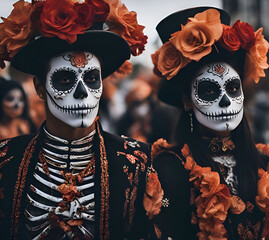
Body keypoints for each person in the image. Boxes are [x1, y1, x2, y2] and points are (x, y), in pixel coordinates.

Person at [0, 0, 157, 239]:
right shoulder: (6, 161)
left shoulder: (138, 163)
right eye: (64, 80)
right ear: (40, 88)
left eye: (92, 78)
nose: (82, 92)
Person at [148, 7, 269, 239]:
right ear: (187, 101)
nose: (225, 102)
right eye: (209, 90)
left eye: (233, 88)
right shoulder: (171, 167)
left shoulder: (265, 164)